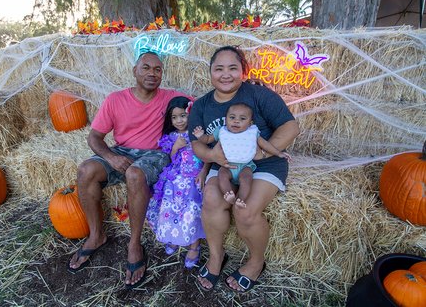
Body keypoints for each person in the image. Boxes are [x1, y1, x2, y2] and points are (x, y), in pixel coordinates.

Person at [67, 52, 190, 289]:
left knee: (134, 174)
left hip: (155, 154)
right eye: (146, 68)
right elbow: (94, 137)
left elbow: (205, 103)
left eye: (157, 69)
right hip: (121, 151)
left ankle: (134, 244)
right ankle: (96, 235)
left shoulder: (172, 98)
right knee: (86, 171)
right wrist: (111, 157)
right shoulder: (115, 99)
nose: (152, 74)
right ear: (134, 71)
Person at [188, 46, 300, 293]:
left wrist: (263, 152)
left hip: (263, 164)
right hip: (225, 165)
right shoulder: (202, 105)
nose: (225, 74)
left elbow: (290, 128)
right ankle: (217, 257)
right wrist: (211, 155)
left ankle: (256, 262)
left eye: (232, 68)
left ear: (243, 71)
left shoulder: (259, 95)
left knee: (246, 212)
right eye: (219, 68)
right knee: (211, 199)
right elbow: (197, 143)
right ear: (210, 73)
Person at [146, 96, 208, 269]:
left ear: (190, 114)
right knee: (170, 204)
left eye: (183, 116)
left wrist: (204, 172)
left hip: (194, 177)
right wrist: (176, 147)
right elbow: (171, 159)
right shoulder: (172, 136)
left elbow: (208, 155)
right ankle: (173, 236)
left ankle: (194, 246)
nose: (179, 121)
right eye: (174, 117)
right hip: (176, 176)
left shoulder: (198, 134)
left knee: (191, 208)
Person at [193, 102, 291, 209]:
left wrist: (278, 153)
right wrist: (200, 136)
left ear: (250, 123)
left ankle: (241, 199)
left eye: (242, 119)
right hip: (227, 165)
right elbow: (207, 140)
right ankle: (228, 194)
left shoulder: (252, 133)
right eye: (232, 117)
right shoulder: (221, 131)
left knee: (246, 179)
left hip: (246, 166)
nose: (236, 121)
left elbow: (265, 144)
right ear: (226, 120)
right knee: (222, 175)